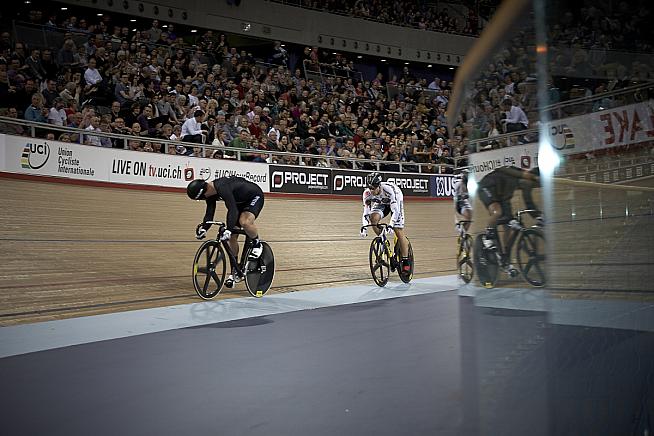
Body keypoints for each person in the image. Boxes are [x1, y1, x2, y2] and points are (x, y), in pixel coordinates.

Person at [187, 176, 265, 286]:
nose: (204, 199)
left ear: (205, 191)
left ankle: (257, 243)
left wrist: (228, 229)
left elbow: (232, 209)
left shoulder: (222, 187)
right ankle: (236, 271)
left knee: (245, 222)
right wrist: (204, 228)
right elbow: (210, 212)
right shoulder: (210, 192)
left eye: (202, 198)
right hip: (239, 202)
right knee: (232, 237)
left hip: (254, 197)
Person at [477, 166, 542, 271]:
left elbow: (528, 202)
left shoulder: (524, 184)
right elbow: (505, 170)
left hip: (501, 196)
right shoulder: (513, 170)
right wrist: (529, 176)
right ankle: (487, 237)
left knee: (509, 225)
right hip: (486, 187)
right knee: (497, 212)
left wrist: (538, 216)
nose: (529, 186)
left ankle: (505, 258)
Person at [360, 172, 411, 275]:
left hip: (395, 201)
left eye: (373, 188)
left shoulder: (389, 191)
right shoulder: (367, 194)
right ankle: (384, 243)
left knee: (398, 230)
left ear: (379, 185)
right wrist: (364, 228)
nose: (372, 191)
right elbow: (366, 212)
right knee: (373, 219)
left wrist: (391, 225)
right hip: (381, 202)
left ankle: (406, 261)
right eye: (370, 188)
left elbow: (395, 211)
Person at [453, 169, 472, 236]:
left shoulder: (462, 182)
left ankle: (462, 232)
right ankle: (460, 230)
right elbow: (462, 193)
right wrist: (465, 195)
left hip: (460, 203)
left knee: (469, 218)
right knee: (468, 216)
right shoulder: (461, 183)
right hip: (460, 203)